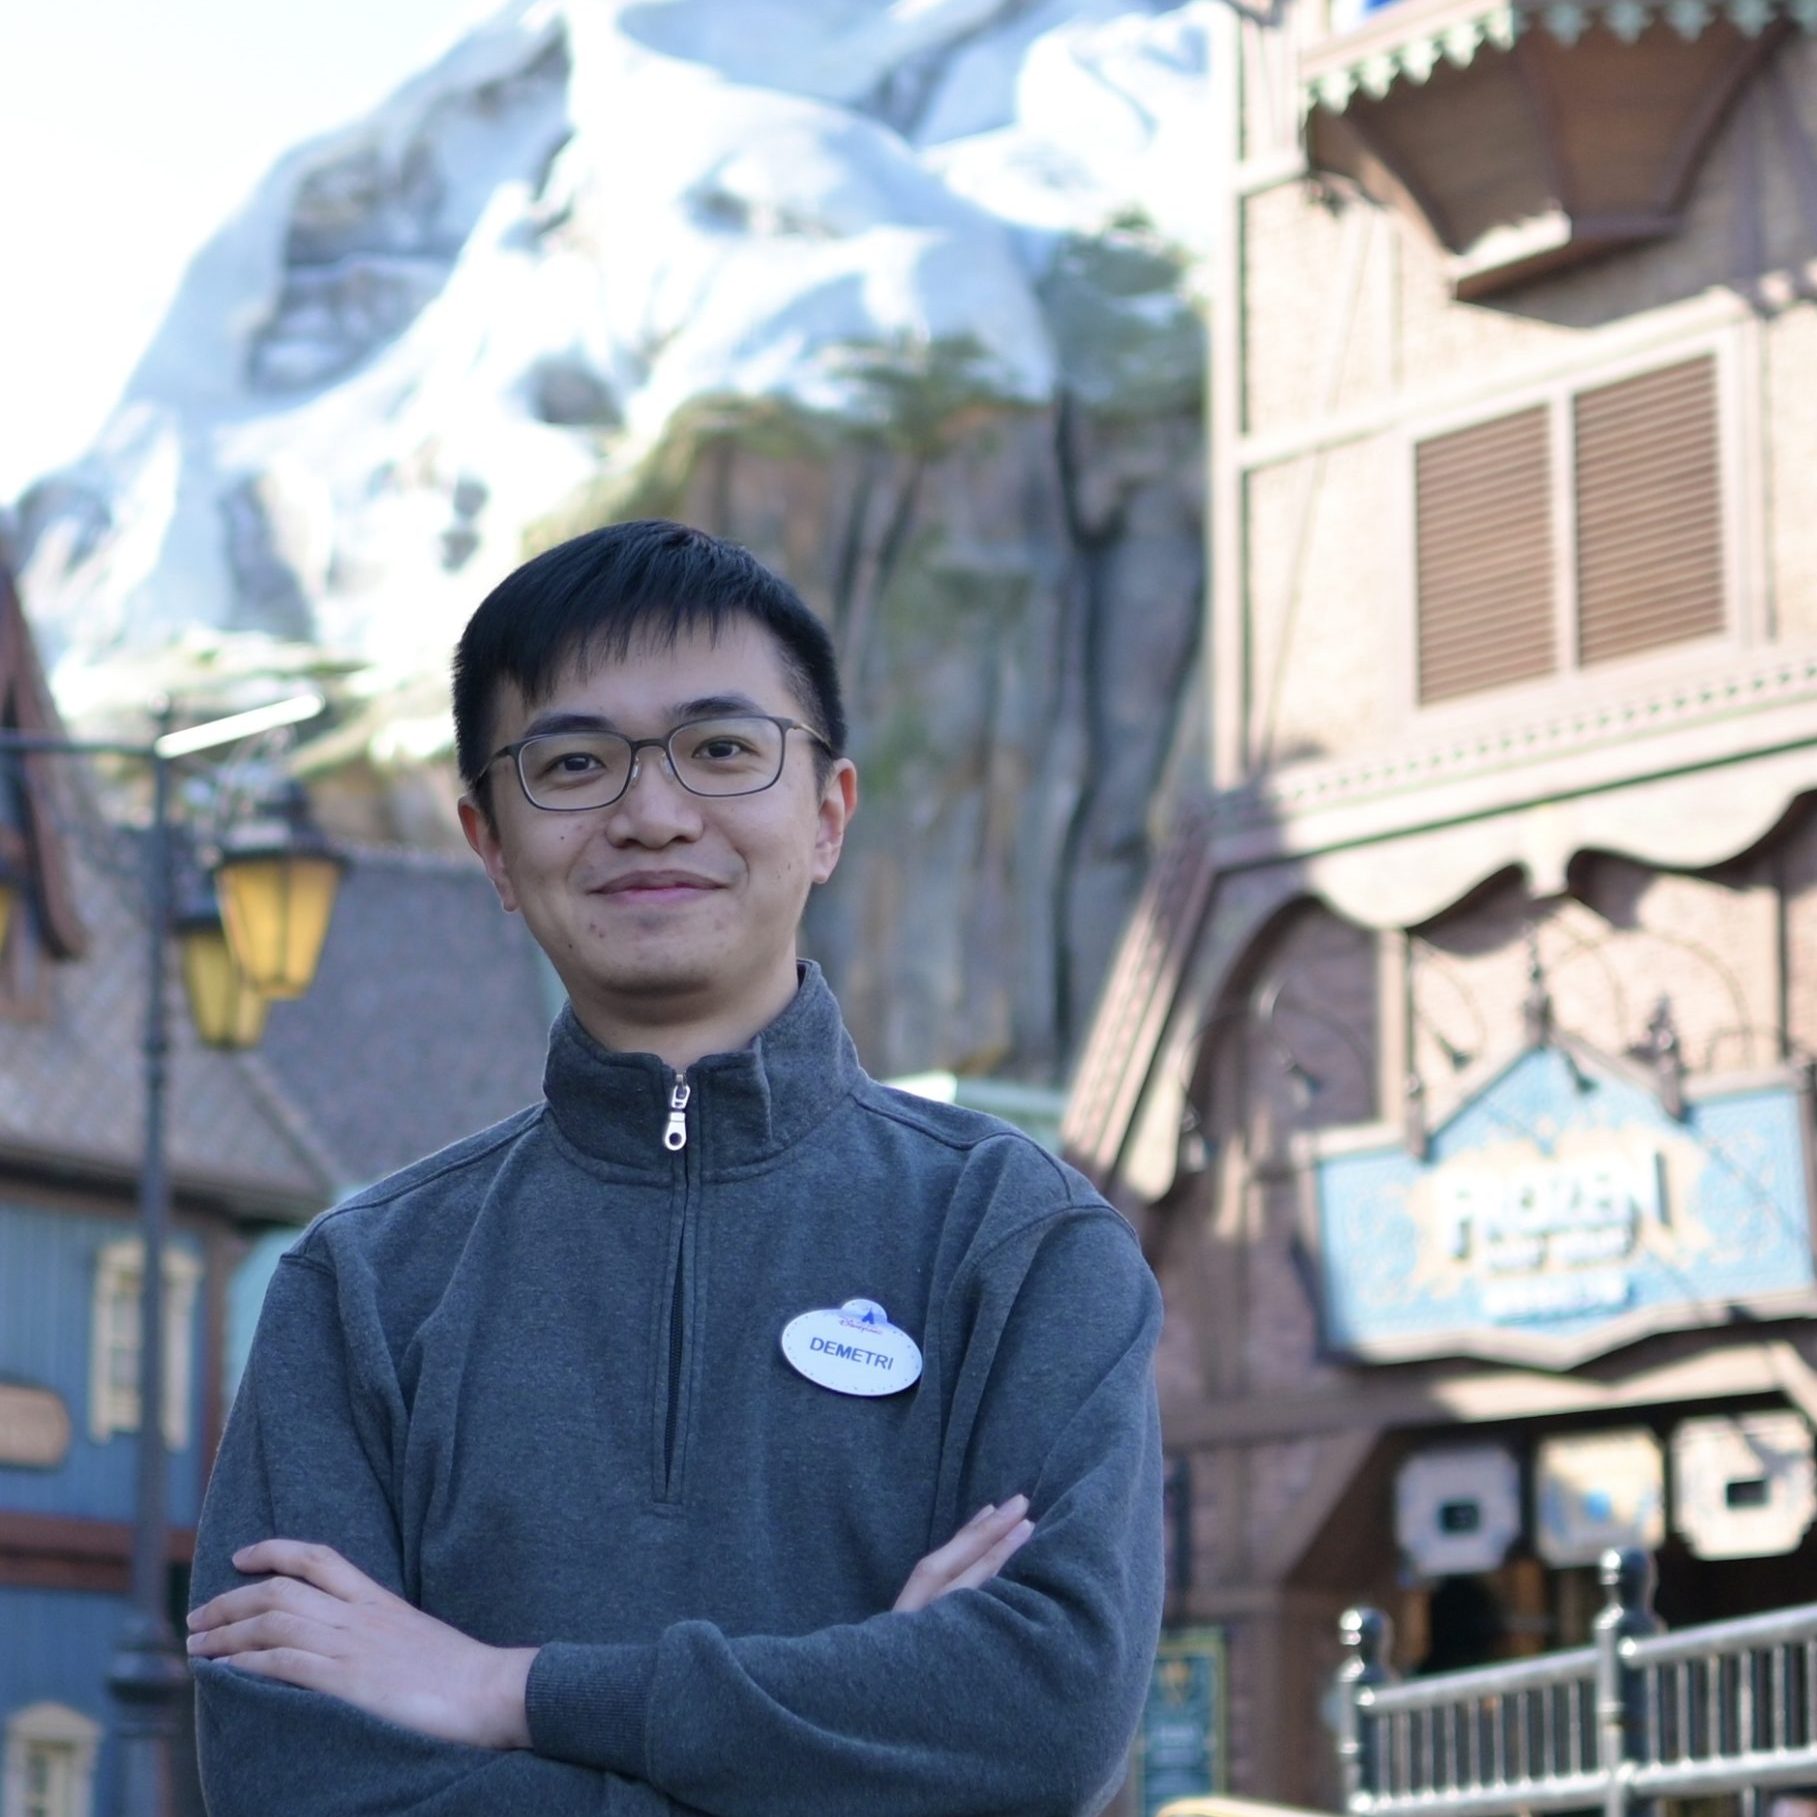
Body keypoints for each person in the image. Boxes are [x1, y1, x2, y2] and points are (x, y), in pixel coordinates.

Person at [185, 519, 1164, 1816]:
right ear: (490, 843)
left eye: (718, 749)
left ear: (825, 813)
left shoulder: (1013, 1242)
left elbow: (1045, 1714)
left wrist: (504, 1689)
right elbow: (294, 1778)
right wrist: (866, 1732)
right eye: (574, 762)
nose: (651, 813)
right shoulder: (365, 1288)